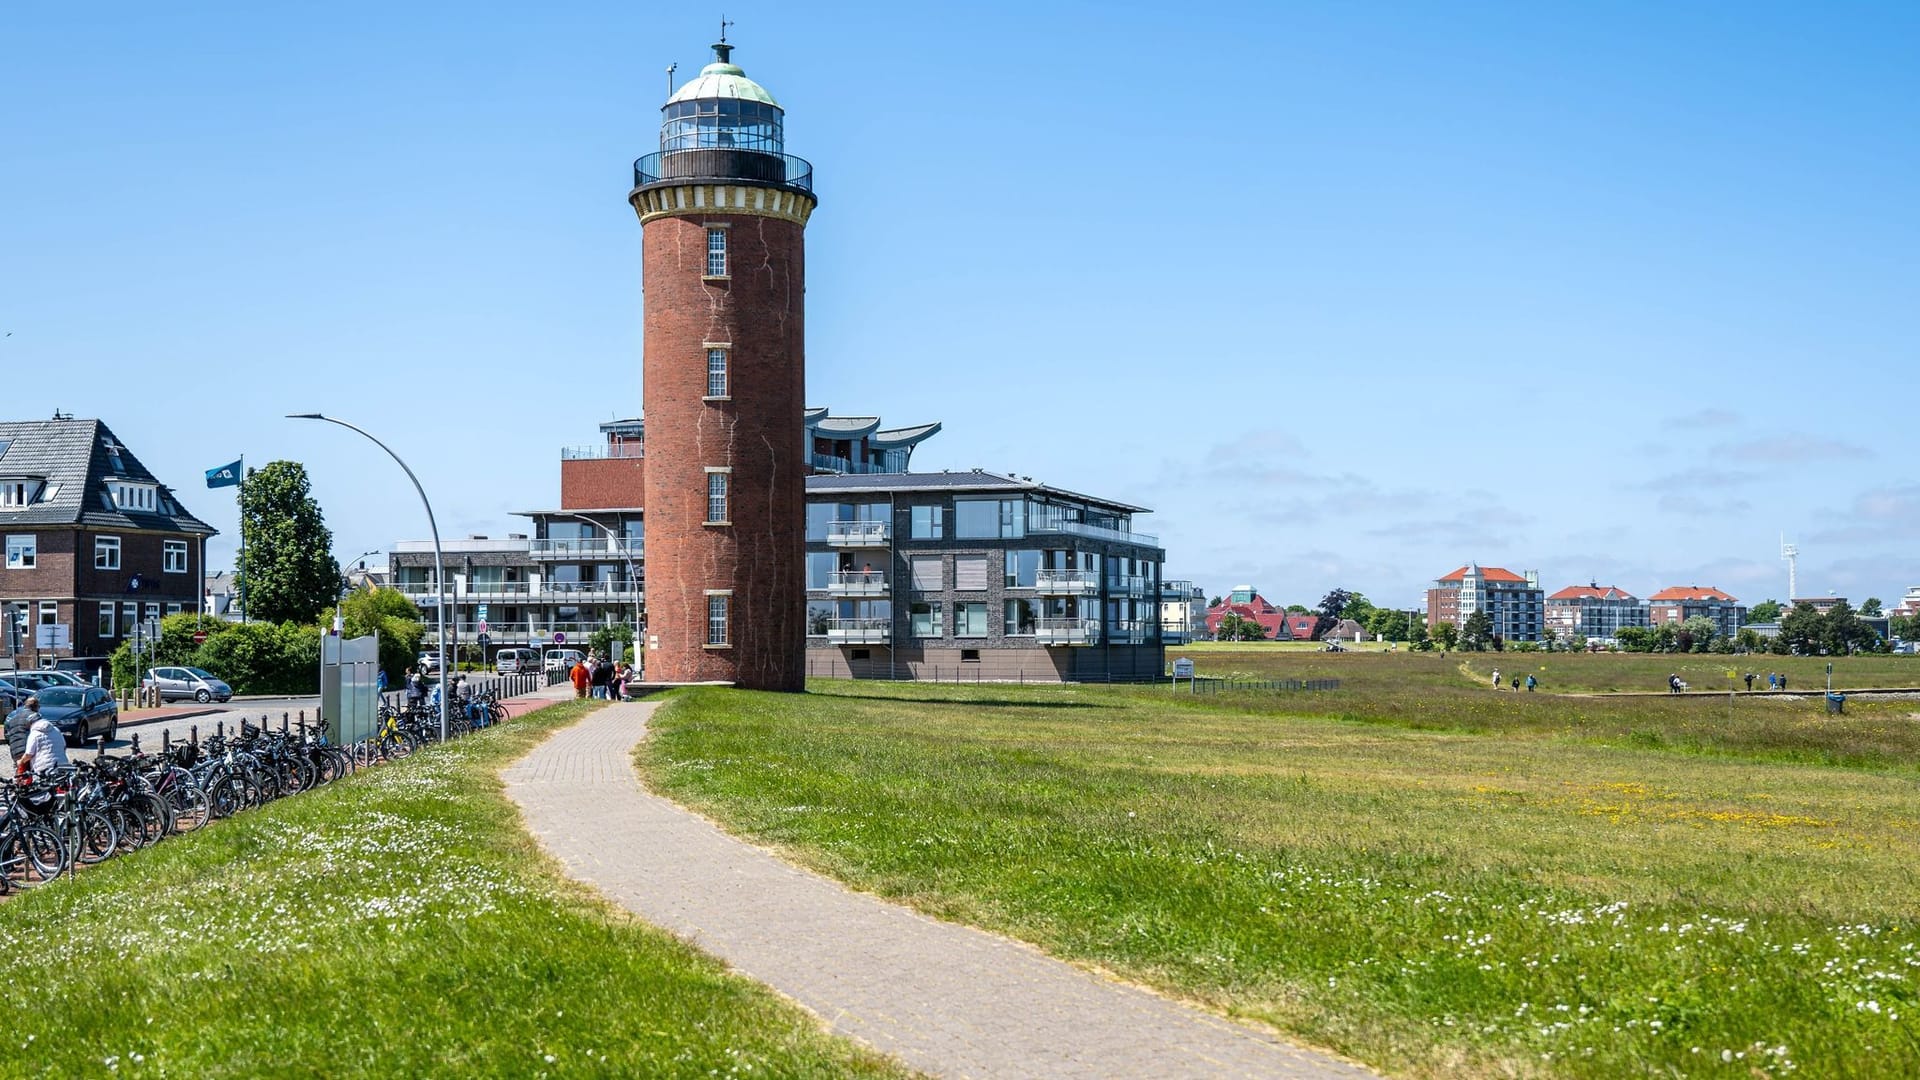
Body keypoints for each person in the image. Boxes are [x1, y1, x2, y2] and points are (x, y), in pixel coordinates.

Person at [18, 700, 70, 779]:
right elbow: (64, 746)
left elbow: (29, 754)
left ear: (31, 723)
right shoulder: (56, 729)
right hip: (63, 765)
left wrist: (21, 761)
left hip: (44, 769)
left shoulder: (34, 734)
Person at [7, 695, 42, 766]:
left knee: (20, 773)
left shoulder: (13, 718)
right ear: (35, 706)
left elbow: (8, 735)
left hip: (15, 751)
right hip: (27, 751)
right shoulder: (34, 716)